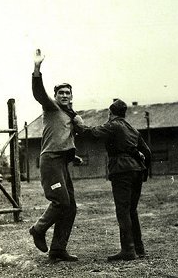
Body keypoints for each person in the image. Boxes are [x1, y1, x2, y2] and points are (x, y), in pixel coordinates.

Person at [74, 99, 151, 261]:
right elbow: (147, 152)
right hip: (137, 171)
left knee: (123, 210)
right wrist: (144, 173)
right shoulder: (133, 129)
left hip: (121, 171)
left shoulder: (113, 125)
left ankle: (128, 250)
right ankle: (139, 249)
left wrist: (79, 123)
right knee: (132, 210)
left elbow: (92, 132)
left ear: (111, 113)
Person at [29, 49, 80, 262]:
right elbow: (39, 92)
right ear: (56, 96)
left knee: (71, 206)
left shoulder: (70, 116)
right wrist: (37, 68)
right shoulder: (51, 108)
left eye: (68, 93)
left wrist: (72, 156)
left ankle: (58, 249)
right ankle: (38, 229)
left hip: (61, 162)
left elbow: (62, 138)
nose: (65, 96)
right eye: (61, 93)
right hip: (50, 161)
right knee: (61, 201)